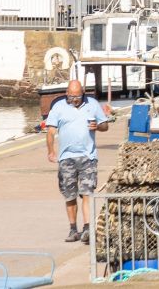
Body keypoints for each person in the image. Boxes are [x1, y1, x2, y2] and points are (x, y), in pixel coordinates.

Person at [45, 79, 111, 244]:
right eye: (71, 96)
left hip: (88, 157)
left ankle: (87, 228)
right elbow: (51, 131)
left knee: (87, 192)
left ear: (83, 93)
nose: (74, 100)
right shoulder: (58, 107)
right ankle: (73, 229)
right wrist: (51, 151)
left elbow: (105, 126)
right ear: (66, 93)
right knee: (70, 195)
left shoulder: (92, 104)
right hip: (66, 158)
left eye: (78, 96)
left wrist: (97, 127)